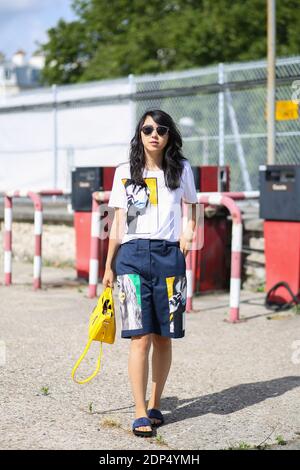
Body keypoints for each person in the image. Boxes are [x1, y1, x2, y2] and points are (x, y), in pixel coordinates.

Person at [103, 109, 197, 437]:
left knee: (164, 335)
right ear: (139, 134)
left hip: (169, 256)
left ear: (169, 135)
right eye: (147, 129)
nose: (153, 134)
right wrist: (108, 264)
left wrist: (188, 234)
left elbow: (192, 205)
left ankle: (156, 404)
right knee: (139, 337)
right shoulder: (125, 172)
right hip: (131, 257)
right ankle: (140, 411)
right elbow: (118, 221)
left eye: (160, 129)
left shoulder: (182, 169)